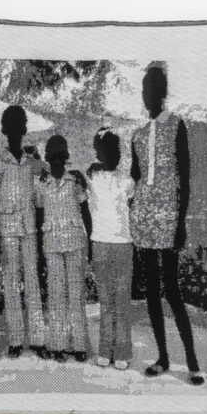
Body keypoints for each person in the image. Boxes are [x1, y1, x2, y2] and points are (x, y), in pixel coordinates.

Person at [129, 64, 204, 384]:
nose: (147, 96)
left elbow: (185, 176)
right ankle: (162, 357)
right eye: (144, 90)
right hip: (144, 218)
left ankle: (193, 362)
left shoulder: (176, 125)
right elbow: (136, 177)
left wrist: (181, 222)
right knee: (152, 291)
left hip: (169, 218)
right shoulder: (138, 134)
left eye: (152, 90)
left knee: (172, 290)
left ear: (162, 92)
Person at [0, 105, 47, 358]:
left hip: (29, 228)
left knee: (33, 282)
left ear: (24, 129)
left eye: (19, 125)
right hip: (7, 228)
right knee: (11, 284)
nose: (15, 130)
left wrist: (39, 157)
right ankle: (15, 340)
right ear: (4, 130)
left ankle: (38, 339)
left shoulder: (32, 163)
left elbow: (44, 187)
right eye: (11, 126)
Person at [34, 135, 91, 361]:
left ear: (65, 156)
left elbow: (85, 211)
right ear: (48, 157)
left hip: (75, 241)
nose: (57, 160)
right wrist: (40, 248)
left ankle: (79, 345)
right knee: (56, 293)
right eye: (53, 155)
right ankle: (58, 345)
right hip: (52, 243)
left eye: (60, 155)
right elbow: (39, 215)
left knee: (76, 293)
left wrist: (91, 239)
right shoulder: (41, 183)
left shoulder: (75, 179)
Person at [84, 128, 136, 369]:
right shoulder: (92, 177)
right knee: (107, 301)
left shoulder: (126, 180)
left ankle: (121, 352)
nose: (108, 153)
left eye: (111, 149)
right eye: (104, 149)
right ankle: (106, 350)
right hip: (101, 243)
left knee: (119, 301)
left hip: (122, 244)